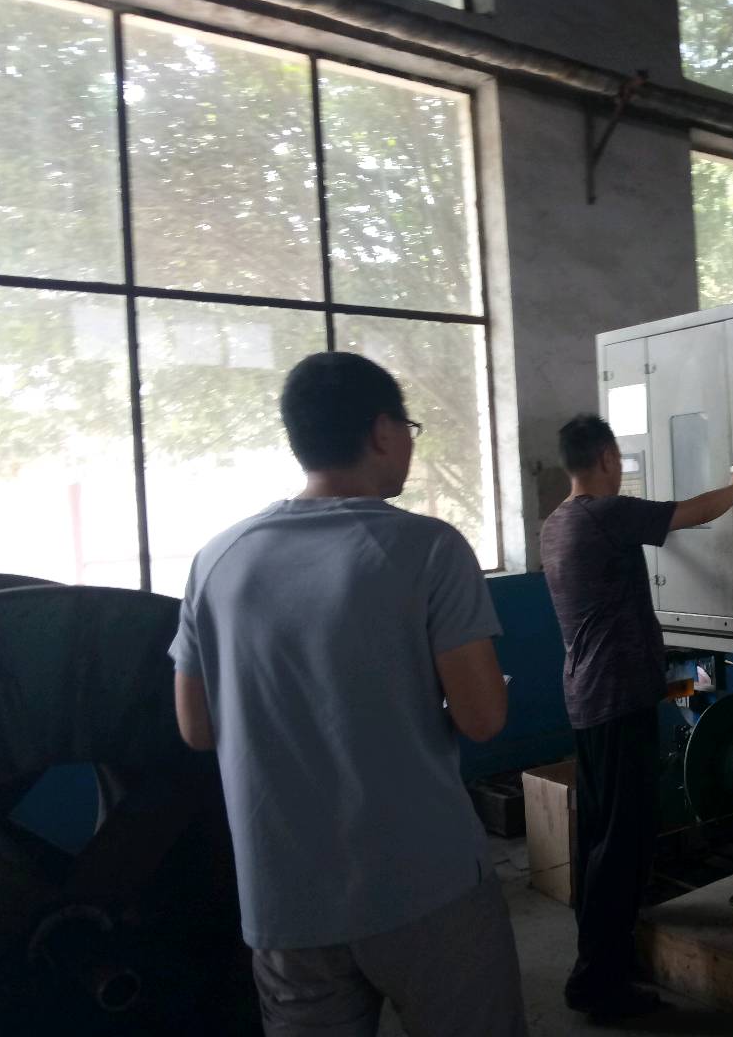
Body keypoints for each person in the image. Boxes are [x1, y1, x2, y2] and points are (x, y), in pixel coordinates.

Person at [170, 352, 527, 1037]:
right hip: (424, 886)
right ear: (383, 432)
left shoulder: (216, 558)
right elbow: (483, 718)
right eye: (409, 429)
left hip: (284, 903)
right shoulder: (428, 547)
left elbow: (197, 727)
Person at [540, 413, 733, 1022]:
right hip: (618, 700)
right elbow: (690, 513)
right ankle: (600, 983)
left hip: (588, 698)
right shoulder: (604, 515)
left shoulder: (556, 523)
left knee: (601, 836)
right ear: (608, 458)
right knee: (624, 842)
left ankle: (602, 958)